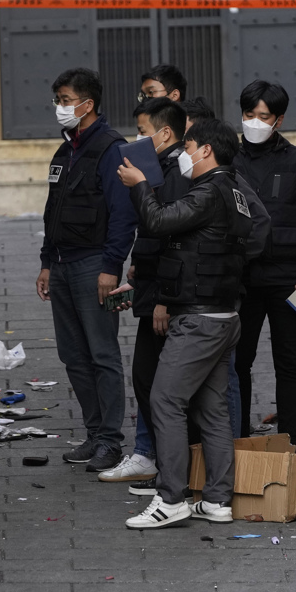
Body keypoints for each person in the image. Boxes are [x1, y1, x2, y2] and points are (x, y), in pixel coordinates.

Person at [116, 119, 267, 528]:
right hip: (222, 315)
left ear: (205, 151)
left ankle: (171, 499)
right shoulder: (234, 192)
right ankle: (217, 501)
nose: (183, 153)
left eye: (188, 146)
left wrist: (138, 184)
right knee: (214, 411)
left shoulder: (212, 190)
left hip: (199, 321)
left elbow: (160, 221)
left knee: (165, 401)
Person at [36, 68, 138, 472]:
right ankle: (94, 433)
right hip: (61, 265)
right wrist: (46, 262)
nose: (60, 108)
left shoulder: (111, 149)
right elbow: (52, 213)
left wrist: (111, 267)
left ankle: (110, 441)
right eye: (58, 100)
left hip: (93, 265)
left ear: (87, 104)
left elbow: (122, 214)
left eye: (65, 100)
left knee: (102, 353)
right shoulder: (65, 151)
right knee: (73, 356)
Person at [233, 80, 296, 441]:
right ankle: (236, 438)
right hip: (239, 280)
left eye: (264, 117)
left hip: (290, 280)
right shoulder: (228, 159)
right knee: (236, 364)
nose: (255, 122)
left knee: (289, 363)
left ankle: (290, 441)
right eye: (249, 115)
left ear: (279, 121)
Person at [97, 97, 190, 486]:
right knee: (147, 380)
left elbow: (176, 240)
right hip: (150, 288)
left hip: (168, 299)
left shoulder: (178, 174)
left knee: (160, 386)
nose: (136, 139)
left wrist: (165, 299)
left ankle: (170, 469)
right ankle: (156, 461)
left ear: (165, 132)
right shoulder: (156, 171)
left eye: (142, 131)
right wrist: (136, 275)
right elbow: (150, 233)